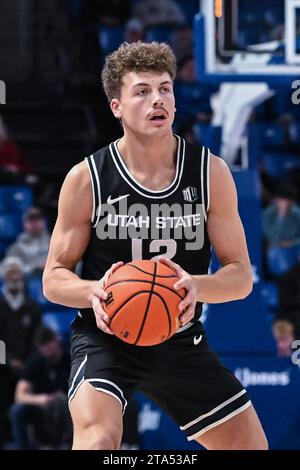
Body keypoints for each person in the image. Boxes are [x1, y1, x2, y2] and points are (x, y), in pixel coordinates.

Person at [43, 41, 267, 450]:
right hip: (104, 337)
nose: (157, 100)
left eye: (165, 89)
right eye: (142, 91)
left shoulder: (210, 173)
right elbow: (53, 279)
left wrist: (197, 286)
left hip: (178, 335)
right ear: (116, 107)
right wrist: (93, 291)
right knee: (97, 442)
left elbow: (241, 276)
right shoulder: (86, 178)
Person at [10, 327, 71, 449]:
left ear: (56, 340)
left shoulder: (70, 359)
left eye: (48, 343)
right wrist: (41, 399)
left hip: (68, 406)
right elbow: (19, 396)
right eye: (43, 345)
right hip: (43, 407)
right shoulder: (35, 363)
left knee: (63, 401)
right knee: (17, 411)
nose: (47, 348)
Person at [6, 207, 50, 276]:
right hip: (27, 282)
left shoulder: (54, 243)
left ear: (44, 221)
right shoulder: (15, 248)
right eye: (31, 219)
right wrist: (35, 268)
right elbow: (10, 270)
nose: (35, 222)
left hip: (51, 278)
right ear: (24, 223)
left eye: (38, 218)